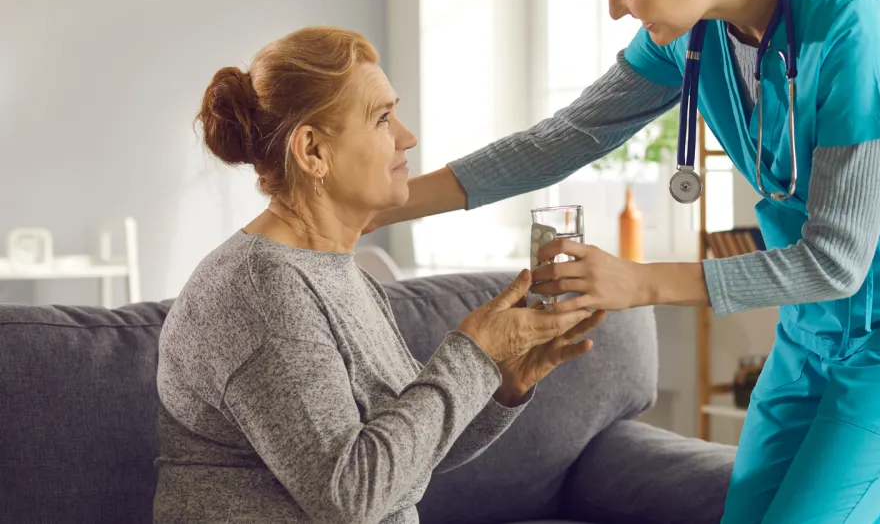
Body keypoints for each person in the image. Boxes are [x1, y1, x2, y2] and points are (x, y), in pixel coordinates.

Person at [369, 0, 880, 521]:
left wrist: (640, 281)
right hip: (816, 322)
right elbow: (564, 139)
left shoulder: (850, 25)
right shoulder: (695, 36)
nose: (615, 11)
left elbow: (838, 258)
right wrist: (385, 205)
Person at [154, 27, 605, 524]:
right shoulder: (259, 290)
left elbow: (408, 459)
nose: (407, 137)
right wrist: (473, 356)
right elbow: (351, 497)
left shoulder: (338, 272)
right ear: (313, 152)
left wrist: (501, 381)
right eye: (383, 118)